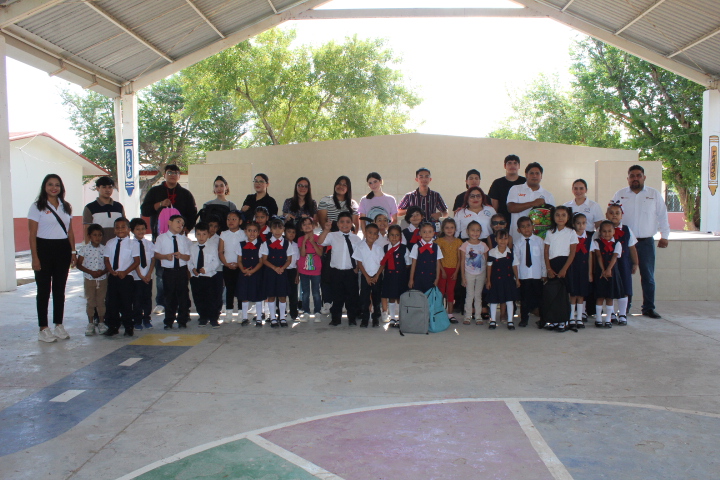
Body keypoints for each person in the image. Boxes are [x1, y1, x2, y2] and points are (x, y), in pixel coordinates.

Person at [611, 165, 669, 319]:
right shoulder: (620, 194)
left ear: (644, 177)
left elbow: (662, 216)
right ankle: (625, 308)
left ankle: (648, 308)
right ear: (628, 178)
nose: (635, 178)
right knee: (624, 275)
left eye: (638, 175)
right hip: (625, 242)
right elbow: (612, 214)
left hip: (646, 242)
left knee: (648, 276)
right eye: (632, 175)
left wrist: (665, 236)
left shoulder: (653, 194)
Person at [140, 164, 197, 314]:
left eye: (176, 173)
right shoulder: (155, 191)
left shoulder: (185, 194)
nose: (173, 175)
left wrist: (187, 228)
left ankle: (180, 303)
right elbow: (144, 210)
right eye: (170, 172)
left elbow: (192, 213)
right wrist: (159, 205)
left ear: (179, 176)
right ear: (164, 174)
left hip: (180, 238)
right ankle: (161, 302)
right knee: (161, 271)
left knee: (180, 271)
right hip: (160, 238)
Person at [29, 174, 76, 343]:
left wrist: (73, 252)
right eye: (50, 184)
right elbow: (32, 234)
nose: (53, 188)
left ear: (61, 188)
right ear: (44, 187)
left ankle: (58, 325)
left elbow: (70, 231)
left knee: (59, 289)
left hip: (62, 249)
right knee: (43, 290)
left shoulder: (66, 206)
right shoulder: (37, 207)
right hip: (44, 250)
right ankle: (43, 328)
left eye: (57, 185)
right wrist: (35, 257)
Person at [318, 212, 362, 326]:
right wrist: (326, 230)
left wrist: (357, 268)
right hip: (336, 271)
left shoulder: (356, 239)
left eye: (348, 222)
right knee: (337, 296)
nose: (345, 224)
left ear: (352, 224)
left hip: (350, 272)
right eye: (342, 222)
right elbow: (320, 241)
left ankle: (352, 318)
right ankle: (336, 318)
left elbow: (359, 255)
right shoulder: (333, 235)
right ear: (337, 224)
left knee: (351, 296)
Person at [103, 217, 140, 337]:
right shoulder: (110, 243)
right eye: (117, 227)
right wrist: (111, 271)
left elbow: (136, 261)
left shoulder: (133, 244)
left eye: (123, 227)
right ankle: (113, 326)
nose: (120, 230)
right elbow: (107, 260)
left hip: (126, 277)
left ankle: (129, 326)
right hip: (113, 277)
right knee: (111, 303)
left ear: (129, 229)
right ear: (114, 230)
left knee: (127, 303)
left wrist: (125, 272)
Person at [542, 206, 577, 331]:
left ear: (568, 217)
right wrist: (549, 269)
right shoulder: (550, 232)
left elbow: (572, 252)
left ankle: (564, 320)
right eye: (558, 215)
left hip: (565, 264)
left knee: (564, 294)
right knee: (554, 293)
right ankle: (554, 320)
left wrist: (564, 269)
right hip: (553, 264)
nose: (560, 218)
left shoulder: (571, 232)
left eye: (563, 215)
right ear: (553, 217)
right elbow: (546, 251)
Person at [154, 215, 192, 329]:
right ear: (169, 222)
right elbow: (156, 254)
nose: (180, 225)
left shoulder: (185, 240)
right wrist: (165, 256)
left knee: (183, 296)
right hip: (168, 271)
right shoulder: (161, 238)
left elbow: (188, 257)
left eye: (182, 223)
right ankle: (169, 320)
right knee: (169, 296)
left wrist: (181, 256)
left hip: (181, 271)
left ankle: (182, 320)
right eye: (178, 222)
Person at [606, 201, 638, 326]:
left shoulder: (627, 230)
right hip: (608, 264)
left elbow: (632, 248)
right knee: (610, 287)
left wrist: (635, 263)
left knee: (624, 287)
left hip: (623, 263)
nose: (614, 215)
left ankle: (623, 313)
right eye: (611, 213)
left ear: (622, 215)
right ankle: (611, 312)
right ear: (607, 215)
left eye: (617, 213)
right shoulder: (602, 229)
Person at [507, 162, 556, 243]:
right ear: (526, 175)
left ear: (541, 176)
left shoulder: (548, 195)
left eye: (537, 173)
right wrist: (533, 203)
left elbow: (552, 218)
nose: (534, 176)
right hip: (517, 237)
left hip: (541, 240)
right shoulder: (516, 189)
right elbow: (511, 208)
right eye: (531, 173)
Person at [512, 216, 546, 328]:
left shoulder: (539, 241)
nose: (526, 229)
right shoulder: (517, 243)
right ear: (518, 230)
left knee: (540, 298)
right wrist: (517, 278)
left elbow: (543, 258)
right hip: (524, 275)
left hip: (537, 275)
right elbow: (516, 262)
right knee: (524, 299)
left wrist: (544, 273)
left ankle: (543, 319)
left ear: (533, 227)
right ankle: (524, 319)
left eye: (528, 226)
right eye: (523, 227)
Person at [77, 224, 108, 336]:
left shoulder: (105, 249)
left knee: (101, 301)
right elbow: (79, 264)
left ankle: (101, 322)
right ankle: (90, 323)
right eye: (94, 235)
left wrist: (102, 272)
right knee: (91, 301)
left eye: (100, 235)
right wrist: (91, 272)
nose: (97, 237)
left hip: (102, 279)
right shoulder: (84, 249)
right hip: (89, 279)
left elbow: (108, 264)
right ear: (89, 236)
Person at [591, 221, 624, 328]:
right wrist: (603, 270)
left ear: (614, 231)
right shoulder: (596, 242)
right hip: (601, 272)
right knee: (600, 296)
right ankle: (599, 319)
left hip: (612, 272)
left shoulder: (617, 243)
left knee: (610, 296)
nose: (607, 233)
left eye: (610, 231)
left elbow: (614, 257)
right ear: (600, 232)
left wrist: (608, 270)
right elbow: (599, 256)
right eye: (604, 231)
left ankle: (608, 318)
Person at [189, 222, 223, 328]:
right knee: (199, 297)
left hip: (209, 277)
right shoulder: (192, 247)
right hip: (196, 277)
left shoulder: (212, 247)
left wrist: (206, 269)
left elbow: (216, 262)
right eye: (198, 234)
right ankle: (203, 317)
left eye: (204, 234)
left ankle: (213, 318)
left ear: (208, 234)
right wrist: (192, 269)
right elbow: (189, 261)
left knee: (212, 298)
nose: (201, 237)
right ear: (195, 235)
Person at [352, 222, 385, 328]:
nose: (372, 235)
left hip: (377, 276)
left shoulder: (378, 248)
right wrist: (366, 276)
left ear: (378, 236)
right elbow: (359, 263)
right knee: (365, 299)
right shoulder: (360, 247)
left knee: (376, 299)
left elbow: (382, 264)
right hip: (365, 276)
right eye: (370, 233)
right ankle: (365, 318)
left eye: (375, 233)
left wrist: (376, 276)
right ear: (365, 233)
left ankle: (376, 318)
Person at [260, 218, 292, 327]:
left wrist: (282, 268)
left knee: (282, 295)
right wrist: (275, 268)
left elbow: (289, 259)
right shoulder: (266, 243)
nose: (277, 231)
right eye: (275, 228)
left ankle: (282, 317)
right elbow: (264, 259)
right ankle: (273, 317)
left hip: (282, 272)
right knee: (271, 295)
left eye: (280, 228)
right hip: (271, 272)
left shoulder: (287, 243)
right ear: (271, 230)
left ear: (283, 229)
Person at [485, 229, 518, 330]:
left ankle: (510, 321)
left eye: (505, 238)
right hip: (495, 280)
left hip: (508, 280)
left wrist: (517, 279)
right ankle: (493, 320)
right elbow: (489, 267)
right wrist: (488, 280)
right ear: (495, 239)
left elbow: (514, 266)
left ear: (508, 239)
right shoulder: (491, 252)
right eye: (500, 238)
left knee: (509, 300)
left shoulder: (511, 252)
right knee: (494, 301)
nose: (503, 241)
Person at [218, 210, 247, 321]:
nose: (231, 221)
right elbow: (220, 251)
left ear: (240, 221)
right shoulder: (224, 234)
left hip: (240, 266)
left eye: (234, 219)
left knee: (241, 288)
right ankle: (229, 312)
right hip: (227, 266)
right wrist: (226, 264)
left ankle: (241, 312)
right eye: (229, 219)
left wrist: (240, 264)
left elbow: (246, 251)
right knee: (229, 289)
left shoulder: (244, 234)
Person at [459, 221, 488, 326]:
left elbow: (487, 260)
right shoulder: (465, 245)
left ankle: (478, 316)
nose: (475, 233)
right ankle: (467, 316)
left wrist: (487, 276)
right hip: (468, 273)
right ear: (467, 231)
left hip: (481, 273)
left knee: (478, 295)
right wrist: (463, 276)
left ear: (481, 232)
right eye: (472, 230)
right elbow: (462, 261)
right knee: (469, 294)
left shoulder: (483, 245)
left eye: (477, 230)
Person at [381, 225, 411, 328]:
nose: (394, 237)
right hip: (389, 277)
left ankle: (400, 318)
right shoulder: (385, 248)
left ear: (400, 237)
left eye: (397, 235)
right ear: (388, 236)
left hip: (401, 277)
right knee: (391, 297)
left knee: (400, 298)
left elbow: (408, 263)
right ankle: (392, 317)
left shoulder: (404, 249)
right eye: (392, 235)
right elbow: (383, 263)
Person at [82, 176, 125, 244]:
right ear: (97, 188)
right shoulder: (89, 208)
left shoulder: (119, 207)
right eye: (104, 187)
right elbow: (87, 231)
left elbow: (124, 227)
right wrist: (88, 248)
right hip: (98, 248)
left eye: (110, 187)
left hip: (117, 246)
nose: (107, 190)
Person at [567, 213, 592, 329]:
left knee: (581, 293)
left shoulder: (589, 239)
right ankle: (571, 316)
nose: (581, 225)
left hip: (584, 269)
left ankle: (579, 317)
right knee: (573, 293)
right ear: (573, 224)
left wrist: (590, 272)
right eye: (578, 223)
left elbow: (591, 256)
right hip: (572, 268)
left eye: (584, 223)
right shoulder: (570, 236)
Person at [237, 222, 265, 327]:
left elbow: (261, 261)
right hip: (244, 273)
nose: (252, 233)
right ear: (245, 232)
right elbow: (239, 260)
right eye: (249, 230)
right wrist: (243, 270)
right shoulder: (241, 244)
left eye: (254, 231)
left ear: (258, 233)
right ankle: (244, 317)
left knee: (258, 295)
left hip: (256, 273)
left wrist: (252, 271)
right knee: (244, 295)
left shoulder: (261, 245)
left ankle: (258, 318)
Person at [130, 218, 155, 331]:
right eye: (137, 229)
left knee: (147, 299)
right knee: (137, 300)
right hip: (136, 277)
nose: (141, 231)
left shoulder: (149, 244)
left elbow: (153, 260)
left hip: (148, 276)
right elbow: (133, 262)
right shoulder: (130, 244)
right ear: (132, 230)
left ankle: (147, 319)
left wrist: (149, 274)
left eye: (143, 229)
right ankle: (137, 320)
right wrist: (140, 275)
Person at [436, 218, 462, 324]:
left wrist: (456, 272)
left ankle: (450, 314)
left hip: (453, 271)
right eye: (447, 227)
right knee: (441, 292)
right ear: (443, 229)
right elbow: (437, 258)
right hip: (442, 270)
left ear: (455, 229)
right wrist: (442, 270)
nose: (449, 230)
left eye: (452, 227)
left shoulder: (458, 242)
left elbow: (460, 259)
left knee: (450, 292)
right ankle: (440, 312)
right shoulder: (439, 241)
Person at [297, 217, 322, 323]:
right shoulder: (300, 239)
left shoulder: (318, 238)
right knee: (305, 292)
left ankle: (317, 312)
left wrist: (313, 242)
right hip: (304, 270)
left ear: (313, 226)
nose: (307, 226)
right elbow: (302, 254)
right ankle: (306, 312)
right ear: (301, 228)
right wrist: (304, 242)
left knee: (316, 292)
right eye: (304, 224)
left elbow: (320, 253)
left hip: (316, 270)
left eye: (309, 224)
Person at [488, 155, 526, 225]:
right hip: (502, 223)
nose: (512, 165)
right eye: (509, 163)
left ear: (519, 166)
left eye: (515, 163)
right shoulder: (497, 183)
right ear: (505, 166)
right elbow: (494, 207)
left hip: (522, 221)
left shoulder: (525, 182)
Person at [408, 222, 443, 293]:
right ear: (420, 233)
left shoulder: (436, 247)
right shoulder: (416, 246)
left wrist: (437, 278)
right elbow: (413, 264)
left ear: (433, 233)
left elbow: (438, 263)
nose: (427, 234)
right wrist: (411, 279)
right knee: (419, 298)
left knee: (429, 298)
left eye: (430, 232)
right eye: (424, 232)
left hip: (431, 278)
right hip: (419, 278)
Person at [283, 221, 300, 321]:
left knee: (293, 294)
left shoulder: (296, 246)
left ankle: (294, 313)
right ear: (284, 232)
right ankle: (281, 312)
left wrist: (297, 275)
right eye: (289, 232)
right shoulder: (281, 244)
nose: (291, 234)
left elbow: (297, 262)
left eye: (293, 232)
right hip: (282, 270)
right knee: (281, 293)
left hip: (292, 271)